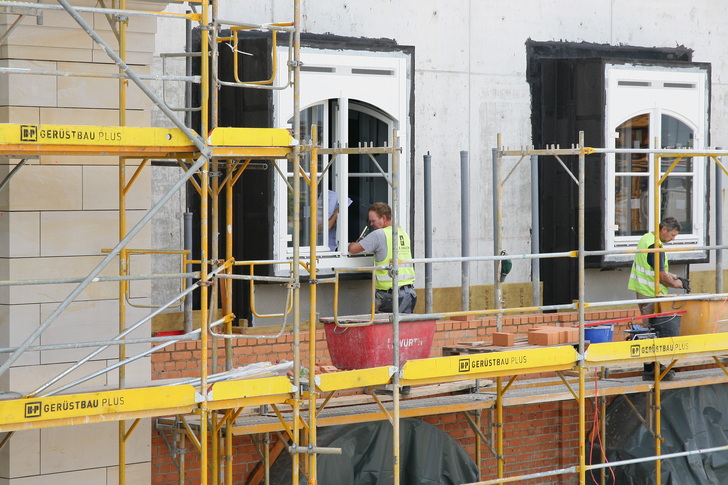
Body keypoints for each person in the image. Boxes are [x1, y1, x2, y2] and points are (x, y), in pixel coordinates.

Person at [628, 216, 684, 381]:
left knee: (649, 330)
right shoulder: (655, 245)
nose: (673, 239)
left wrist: (673, 276)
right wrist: (677, 284)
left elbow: (654, 268)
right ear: (664, 230)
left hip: (644, 290)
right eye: (672, 235)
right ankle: (651, 369)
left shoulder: (646, 238)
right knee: (652, 332)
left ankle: (653, 366)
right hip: (651, 293)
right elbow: (660, 276)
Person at [348, 202, 417, 313]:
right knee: (403, 328)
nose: (371, 224)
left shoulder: (379, 234)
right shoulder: (402, 232)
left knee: (381, 328)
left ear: (383, 218)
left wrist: (352, 243)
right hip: (409, 293)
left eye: (373, 220)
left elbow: (353, 249)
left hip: (389, 294)